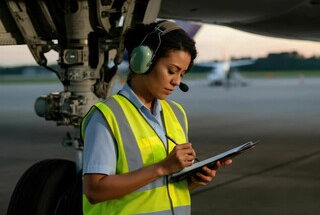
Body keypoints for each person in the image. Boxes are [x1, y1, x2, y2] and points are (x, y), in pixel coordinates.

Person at [81, 20, 232, 215]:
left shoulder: (176, 113)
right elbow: (95, 190)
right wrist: (161, 168)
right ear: (143, 61)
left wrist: (194, 179)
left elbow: (163, 190)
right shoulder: (107, 116)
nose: (177, 81)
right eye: (172, 71)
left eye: (182, 74)